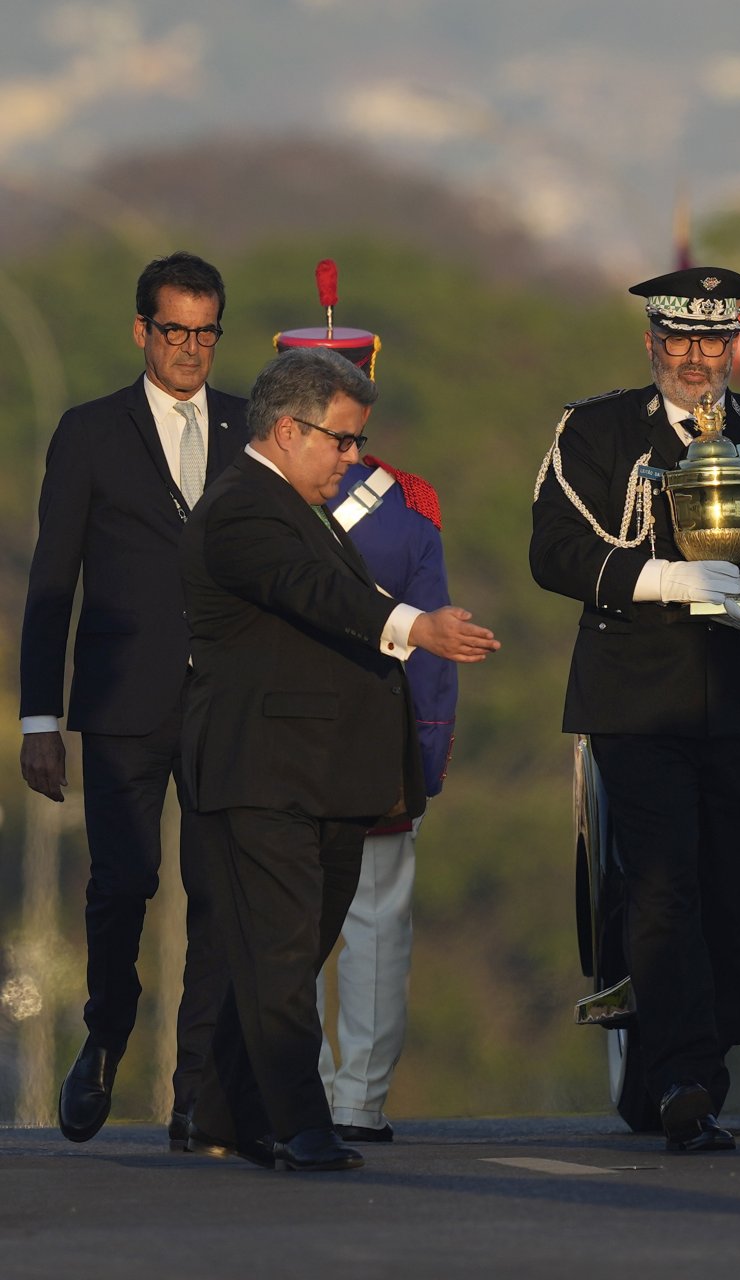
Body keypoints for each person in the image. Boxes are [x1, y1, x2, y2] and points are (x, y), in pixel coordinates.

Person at [529, 266, 740, 1152]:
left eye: (712, 341)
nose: (696, 358)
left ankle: (681, 1062)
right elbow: (552, 549)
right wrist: (660, 577)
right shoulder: (597, 430)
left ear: (734, 344)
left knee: (732, 893)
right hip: (639, 695)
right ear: (653, 342)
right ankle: (686, 1082)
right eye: (679, 340)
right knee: (662, 885)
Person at [179, 347, 498, 1171]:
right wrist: (414, 627)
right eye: (342, 440)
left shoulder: (302, 504)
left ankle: (219, 1111)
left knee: (295, 947)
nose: (354, 458)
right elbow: (312, 594)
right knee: (283, 956)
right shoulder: (242, 506)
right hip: (264, 771)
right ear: (288, 430)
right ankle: (301, 1125)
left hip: (326, 775)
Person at [20, 251, 246, 1148]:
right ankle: (107, 1033)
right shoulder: (90, 432)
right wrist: (40, 720)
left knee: (218, 893)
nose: (190, 349)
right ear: (142, 331)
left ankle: (196, 1090)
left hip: (224, 703)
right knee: (125, 885)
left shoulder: (247, 427)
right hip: (120, 704)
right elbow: (50, 585)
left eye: (205, 331)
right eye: (174, 330)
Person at [274, 312, 456, 1144]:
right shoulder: (410, 506)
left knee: (289, 921)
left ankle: (299, 1091)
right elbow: (433, 649)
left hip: (279, 742)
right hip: (377, 741)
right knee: (376, 926)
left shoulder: (241, 491)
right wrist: (427, 750)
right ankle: (361, 1101)